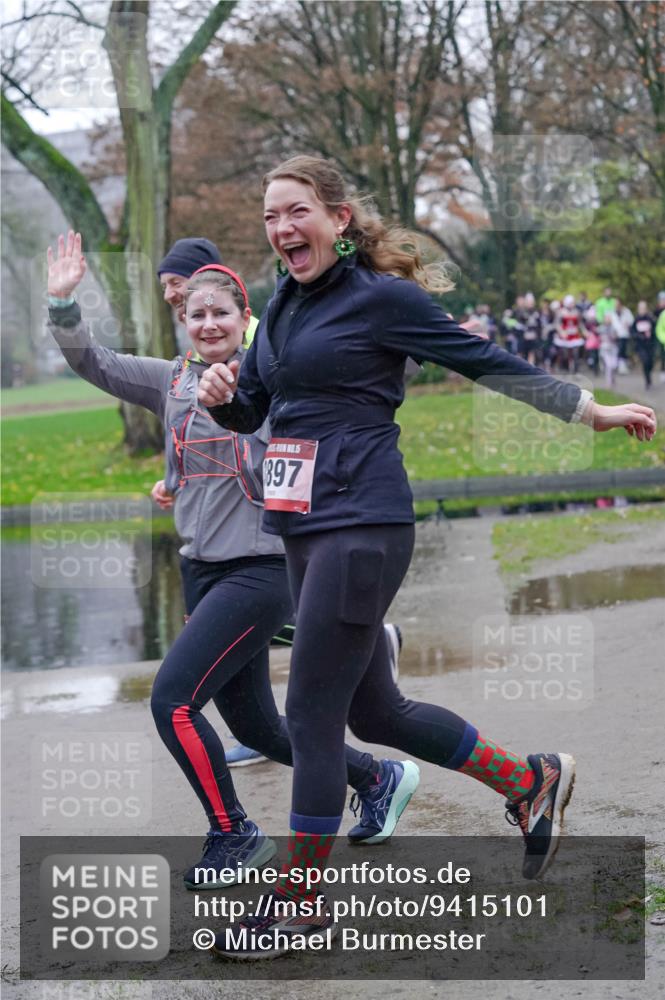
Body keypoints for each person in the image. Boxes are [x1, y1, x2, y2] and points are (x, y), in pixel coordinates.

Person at [198, 155, 657, 959]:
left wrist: (592, 411)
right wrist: (225, 401)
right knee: (374, 713)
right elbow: (262, 407)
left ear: (338, 219)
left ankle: (300, 904)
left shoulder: (382, 299)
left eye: (296, 211)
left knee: (309, 715)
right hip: (303, 524)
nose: (281, 229)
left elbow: (486, 362)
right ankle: (529, 782)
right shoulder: (280, 307)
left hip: (362, 522)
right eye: (270, 216)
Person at [45, 231, 419, 890]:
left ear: (243, 317)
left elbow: (354, 387)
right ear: (184, 323)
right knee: (259, 726)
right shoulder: (170, 381)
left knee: (173, 700)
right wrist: (63, 304)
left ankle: (234, 833)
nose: (209, 323)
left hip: (261, 568)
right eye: (197, 314)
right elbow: (93, 362)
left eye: (221, 312)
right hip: (202, 569)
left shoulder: (272, 380)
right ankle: (376, 777)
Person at [630, 301, 656, 390]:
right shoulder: (636, 319)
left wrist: (651, 334)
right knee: (645, 361)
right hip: (640, 346)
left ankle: (649, 375)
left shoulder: (650, 318)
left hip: (650, 345)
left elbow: (655, 329)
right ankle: (647, 381)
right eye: (640, 308)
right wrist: (639, 336)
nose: (642, 310)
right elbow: (632, 332)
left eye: (644, 308)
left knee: (650, 363)